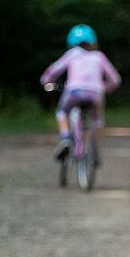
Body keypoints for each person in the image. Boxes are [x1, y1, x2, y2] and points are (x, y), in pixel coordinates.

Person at [39, 24, 121, 162]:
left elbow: (51, 72)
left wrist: (47, 83)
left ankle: (65, 138)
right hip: (96, 93)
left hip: (74, 91)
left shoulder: (72, 55)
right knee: (98, 120)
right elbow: (115, 79)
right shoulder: (99, 57)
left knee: (62, 112)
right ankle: (95, 150)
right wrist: (104, 88)